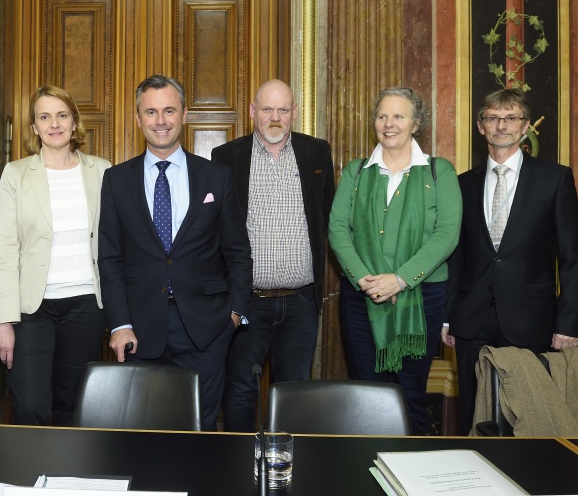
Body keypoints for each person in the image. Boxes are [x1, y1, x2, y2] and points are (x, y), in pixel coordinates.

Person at [98, 74, 252, 431]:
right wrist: (119, 324)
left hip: (206, 328)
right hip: (139, 329)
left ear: (184, 114)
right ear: (138, 118)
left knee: (200, 431)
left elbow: (237, 251)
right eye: (151, 112)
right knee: (142, 432)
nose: (160, 120)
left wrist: (234, 314)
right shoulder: (117, 180)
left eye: (169, 110)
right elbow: (110, 258)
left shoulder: (216, 176)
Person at [444, 88, 578, 435]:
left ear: (526, 125)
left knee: (530, 420)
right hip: (471, 322)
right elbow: (455, 257)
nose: (501, 126)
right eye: (492, 118)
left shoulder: (555, 179)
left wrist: (568, 323)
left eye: (510, 118)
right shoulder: (461, 185)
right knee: (474, 418)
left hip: (532, 321)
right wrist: (448, 317)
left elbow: (572, 258)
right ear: (480, 126)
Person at [328, 87, 461, 436]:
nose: (389, 124)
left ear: (415, 123)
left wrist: (399, 280)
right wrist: (364, 279)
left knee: (410, 395)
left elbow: (447, 234)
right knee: (366, 395)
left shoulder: (439, 172)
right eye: (382, 116)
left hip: (422, 297)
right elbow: (338, 229)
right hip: (362, 297)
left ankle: (412, 466)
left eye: (398, 116)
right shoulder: (356, 172)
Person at [211, 79, 335, 432]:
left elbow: (327, 215)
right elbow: (216, 229)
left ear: (294, 112)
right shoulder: (226, 157)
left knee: (295, 393)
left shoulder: (316, 153)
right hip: (246, 302)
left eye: (283, 109)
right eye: (267, 109)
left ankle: (289, 461)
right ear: (253, 111)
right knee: (239, 389)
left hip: (301, 303)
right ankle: (237, 459)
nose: (275, 117)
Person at [0, 85, 109, 425]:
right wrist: (3, 321)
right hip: (32, 310)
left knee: (73, 406)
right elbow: (4, 252)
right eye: (44, 117)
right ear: (34, 126)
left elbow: (115, 245)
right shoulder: (15, 174)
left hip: (86, 306)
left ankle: (68, 462)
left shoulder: (102, 171)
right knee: (30, 406)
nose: (54, 124)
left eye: (61, 115)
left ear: (74, 122)